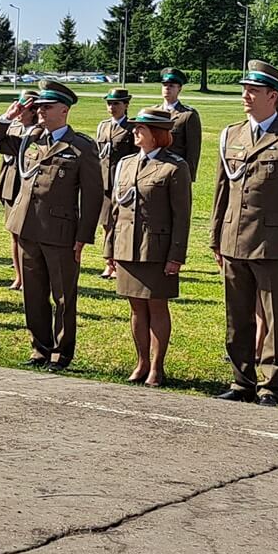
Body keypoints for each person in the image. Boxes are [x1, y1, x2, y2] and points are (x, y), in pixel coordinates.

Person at [210, 62, 278, 405]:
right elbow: (221, 192)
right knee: (236, 315)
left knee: (275, 318)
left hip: (274, 243)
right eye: (245, 89)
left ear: (273, 96)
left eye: (253, 91)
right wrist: (216, 237)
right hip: (234, 239)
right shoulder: (232, 134)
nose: (246, 95)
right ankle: (242, 380)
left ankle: (272, 384)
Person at [0, 81, 103, 371]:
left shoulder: (80, 147)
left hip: (60, 233)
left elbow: (92, 196)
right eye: (38, 106)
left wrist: (83, 237)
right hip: (27, 228)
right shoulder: (32, 138)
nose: (40, 111)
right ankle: (40, 347)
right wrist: (9, 115)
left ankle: (61, 352)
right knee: (33, 293)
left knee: (63, 295)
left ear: (64, 110)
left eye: (47, 107)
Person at [106, 108, 192, 386]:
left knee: (156, 307)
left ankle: (157, 366)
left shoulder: (174, 167)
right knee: (136, 309)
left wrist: (176, 256)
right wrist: (111, 249)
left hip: (156, 249)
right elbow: (117, 211)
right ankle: (141, 361)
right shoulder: (127, 163)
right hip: (127, 246)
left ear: (156, 134)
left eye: (140, 129)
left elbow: (182, 216)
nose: (134, 132)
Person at [0, 88, 40, 290]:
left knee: (30, 236)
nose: (19, 112)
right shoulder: (13, 127)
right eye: (18, 107)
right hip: (11, 186)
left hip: (29, 188)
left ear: (34, 111)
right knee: (14, 234)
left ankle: (31, 277)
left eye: (24, 108)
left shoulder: (39, 132)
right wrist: (7, 117)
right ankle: (19, 276)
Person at [94, 88, 141, 280]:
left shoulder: (132, 128)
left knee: (121, 225)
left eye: (116, 104)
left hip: (124, 185)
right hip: (105, 184)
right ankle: (109, 262)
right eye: (109, 103)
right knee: (106, 224)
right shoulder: (103, 126)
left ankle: (120, 262)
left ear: (126, 105)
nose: (112, 107)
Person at [158, 68, 203, 179]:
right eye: (165, 85)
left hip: (176, 170)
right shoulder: (154, 112)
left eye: (172, 85)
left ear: (179, 89)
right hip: (155, 168)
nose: (167, 88)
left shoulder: (187, 115)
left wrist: (188, 176)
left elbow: (193, 150)